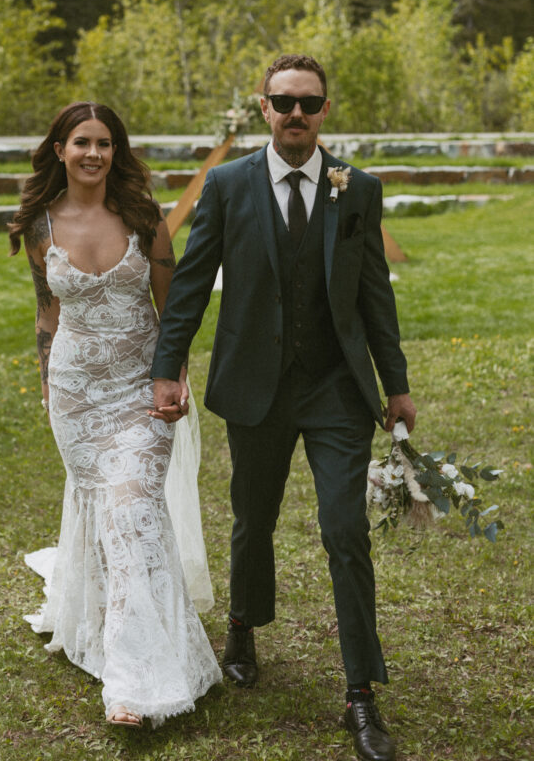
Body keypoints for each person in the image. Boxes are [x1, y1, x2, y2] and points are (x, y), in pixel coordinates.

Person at [150, 54, 416, 761]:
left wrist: (395, 382)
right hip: (254, 385)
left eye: (309, 103)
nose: (295, 114)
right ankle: (242, 623)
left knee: (343, 532)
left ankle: (360, 696)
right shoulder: (229, 185)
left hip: (333, 387)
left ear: (325, 110)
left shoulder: (356, 188)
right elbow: (191, 283)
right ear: (262, 108)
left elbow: (373, 294)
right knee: (253, 518)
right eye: (282, 102)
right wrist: (165, 367)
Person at [8, 101, 221, 729]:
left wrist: (171, 377)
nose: (94, 153)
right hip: (76, 395)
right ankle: (108, 627)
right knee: (108, 512)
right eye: (82, 142)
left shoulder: (143, 217)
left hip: (138, 390)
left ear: (117, 151)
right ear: (60, 150)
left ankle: (137, 683)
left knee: (132, 510)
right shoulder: (40, 225)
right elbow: (48, 312)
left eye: (104, 143)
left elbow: (173, 306)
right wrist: (47, 378)